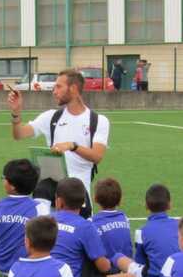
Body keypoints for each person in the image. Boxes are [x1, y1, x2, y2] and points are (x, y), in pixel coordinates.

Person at [7, 69, 110, 216]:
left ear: (73, 88)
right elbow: (19, 134)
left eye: (59, 87)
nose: (54, 91)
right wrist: (16, 112)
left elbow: (97, 156)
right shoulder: (51, 117)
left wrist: (72, 146)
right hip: (50, 194)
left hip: (78, 196)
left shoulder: (99, 120)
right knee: (43, 226)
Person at [51, 177, 141, 277]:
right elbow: (104, 267)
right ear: (84, 202)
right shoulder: (86, 226)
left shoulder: (45, 220)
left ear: (58, 201)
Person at [0, 158, 49, 274]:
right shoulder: (39, 208)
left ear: (12, 186)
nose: (3, 180)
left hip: (2, 267)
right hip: (28, 267)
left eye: (4, 178)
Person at [91, 177, 141, 277]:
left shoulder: (91, 222)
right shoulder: (124, 218)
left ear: (95, 199)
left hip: (107, 271)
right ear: (120, 200)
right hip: (127, 268)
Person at [133, 184, 180, 277]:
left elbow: (139, 262)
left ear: (146, 205)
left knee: (120, 258)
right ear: (170, 204)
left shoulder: (141, 231)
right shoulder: (180, 226)